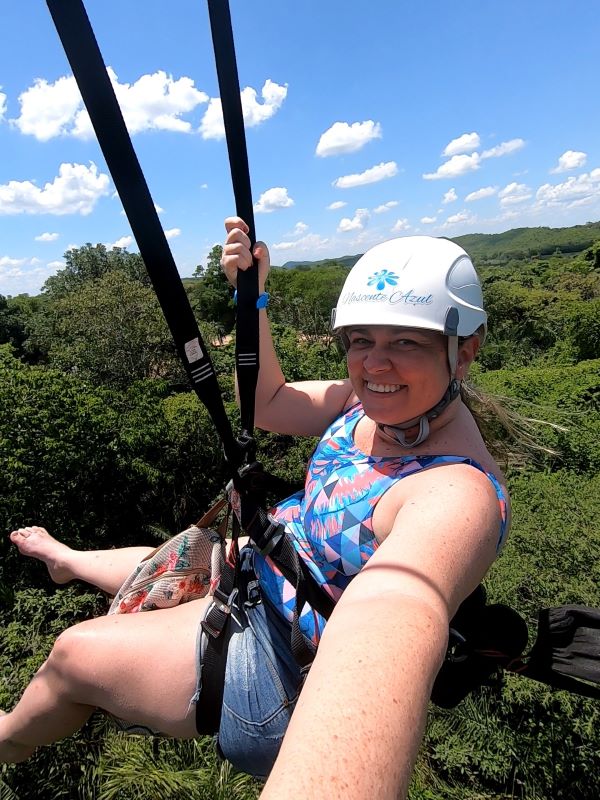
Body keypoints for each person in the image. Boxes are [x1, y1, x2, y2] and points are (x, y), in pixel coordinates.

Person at [2, 218, 509, 800]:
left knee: (74, 654)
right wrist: (254, 298)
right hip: (261, 567)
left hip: (274, 662)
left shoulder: (455, 495)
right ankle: (65, 559)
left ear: (465, 350)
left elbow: (391, 615)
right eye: (361, 339)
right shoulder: (363, 405)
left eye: (405, 342)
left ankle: (9, 739)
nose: (374, 364)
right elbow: (267, 402)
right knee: (167, 556)